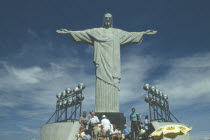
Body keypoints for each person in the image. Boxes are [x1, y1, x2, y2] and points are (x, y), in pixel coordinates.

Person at [56, 13, 157, 113]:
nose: (108, 20)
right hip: (101, 62)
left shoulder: (117, 33)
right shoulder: (97, 31)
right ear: (103, 20)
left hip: (113, 64)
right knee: (100, 80)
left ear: (112, 20)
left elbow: (130, 35)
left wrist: (143, 33)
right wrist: (70, 32)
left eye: (110, 18)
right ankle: (101, 108)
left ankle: (113, 109)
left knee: (113, 83)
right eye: (106, 18)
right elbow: (84, 33)